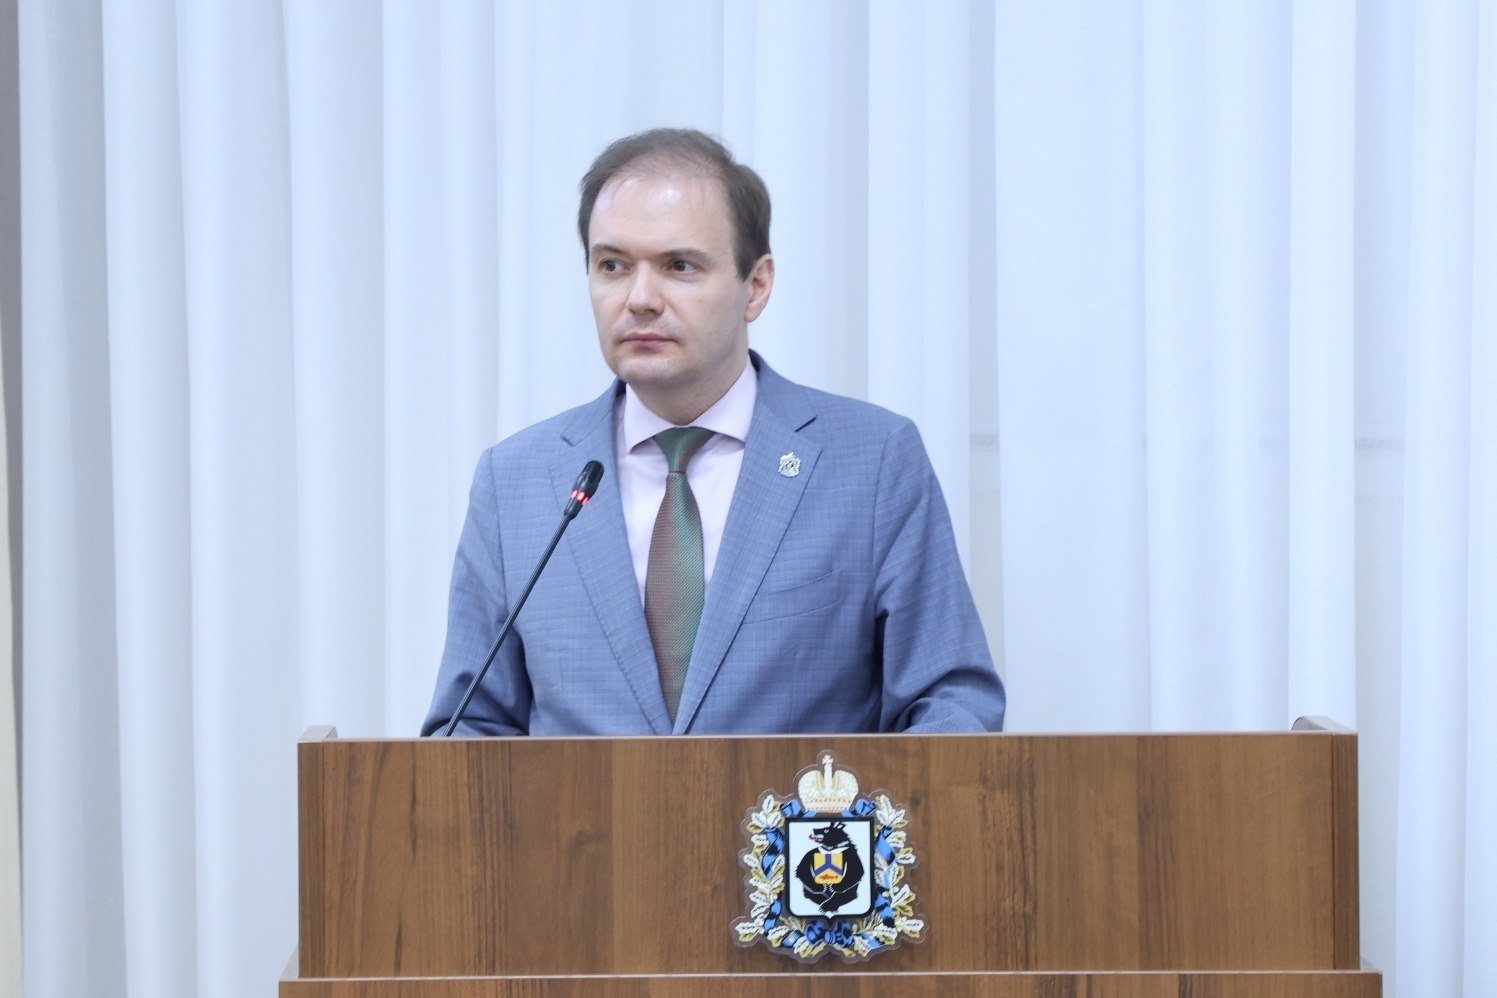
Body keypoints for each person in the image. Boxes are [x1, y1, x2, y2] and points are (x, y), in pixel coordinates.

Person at [422, 128, 1005, 736]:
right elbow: (468, 731)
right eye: (612, 266)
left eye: (679, 266)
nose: (639, 299)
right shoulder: (516, 482)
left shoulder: (873, 461)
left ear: (756, 286)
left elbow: (951, 705)